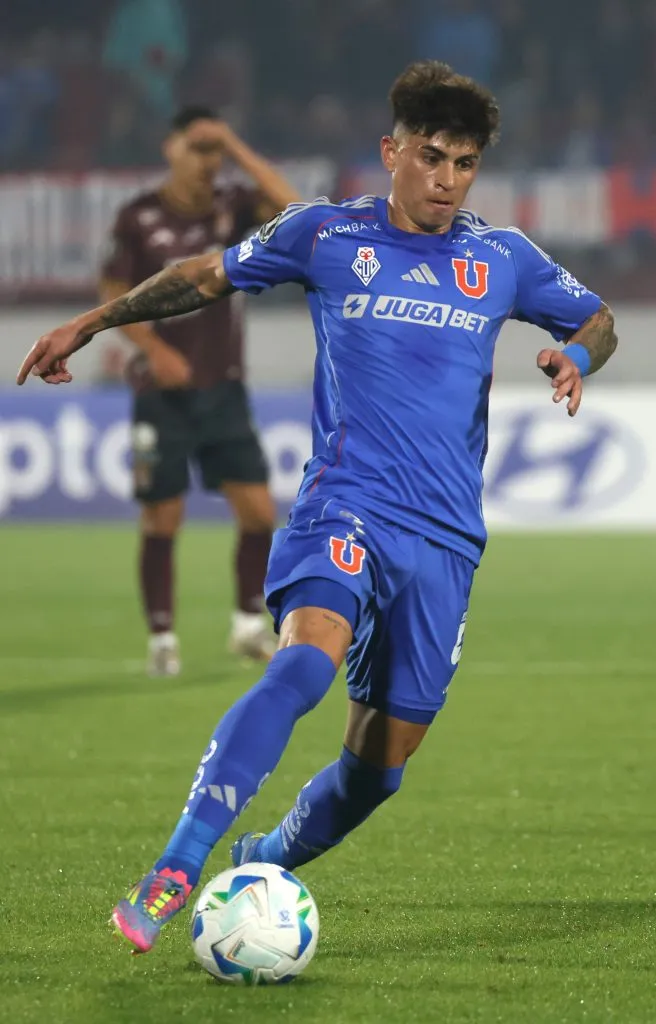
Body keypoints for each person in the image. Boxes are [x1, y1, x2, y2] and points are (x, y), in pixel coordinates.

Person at [17, 61, 618, 954]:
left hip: (446, 538)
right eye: (430, 157)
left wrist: (578, 354)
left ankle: (265, 859)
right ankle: (178, 864)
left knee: (379, 769)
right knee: (302, 669)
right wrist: (94, 322)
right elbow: (202, 276)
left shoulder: (503, 259)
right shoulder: (326, 234)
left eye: (463, 163)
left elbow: (598, 318)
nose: (446, 179)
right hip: (346, 505)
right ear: (391, 153)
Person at [99, 106, 301, 673]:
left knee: (260, 513)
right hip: (159, 395)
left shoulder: (231, 207)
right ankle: (162, 637)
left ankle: (247, 625)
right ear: (170, 148)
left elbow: (294, 211)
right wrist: (154, 349)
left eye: (214, 151)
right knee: (163, 517)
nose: (207, 161)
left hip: (223, 389)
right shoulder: (137, 217)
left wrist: (235, 144)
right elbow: (115, 293)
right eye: (198, 147)